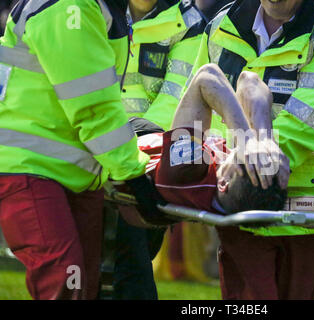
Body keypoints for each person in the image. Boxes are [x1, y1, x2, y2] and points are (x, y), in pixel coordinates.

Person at [189, 0, 314, 299]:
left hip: (303, 215)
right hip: (239, 200)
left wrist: (249, 157)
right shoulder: (223, 23)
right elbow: (199, 94)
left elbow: (308, 123)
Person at [0, 0, 153, 300]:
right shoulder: (72, 7)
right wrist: (133, 174)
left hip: (73, 172)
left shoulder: (101, 8)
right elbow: (94, 106)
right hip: (29, 167)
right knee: (67, 280)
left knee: (84, 285)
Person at [112, 0, 208, 300]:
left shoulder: (191, 23)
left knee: (133, 254)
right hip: (93, 144)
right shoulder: (96, 9)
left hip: (148, 156)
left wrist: (131, 148)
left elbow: (176, 100)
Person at [127, 64, 290, 223]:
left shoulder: (186, 171)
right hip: (152, 140)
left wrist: (246, 140)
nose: (252, 154)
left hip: (129, 140)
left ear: (223, 182)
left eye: (244, 158)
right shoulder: (236, 186)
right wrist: (266, 137)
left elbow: (206, 75)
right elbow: (249, 80)